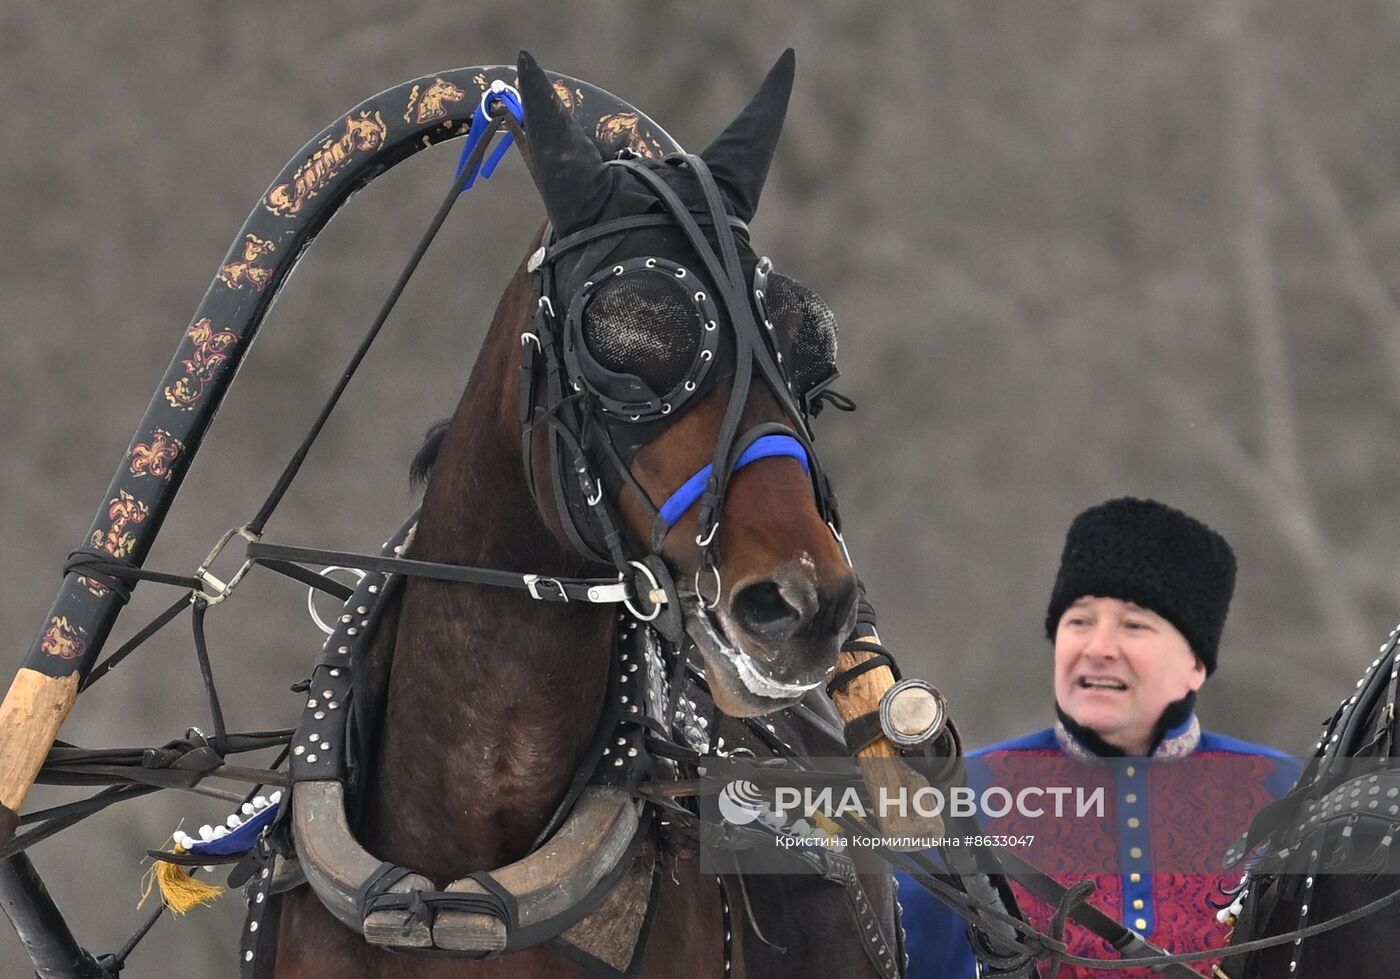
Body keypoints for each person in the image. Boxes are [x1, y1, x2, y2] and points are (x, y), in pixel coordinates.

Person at [897, 497, 1301, 978]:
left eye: (1134, 625)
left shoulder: (1285, 793)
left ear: (1195, 665)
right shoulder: (960, 793)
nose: (1098, 647)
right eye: (1079, 621)